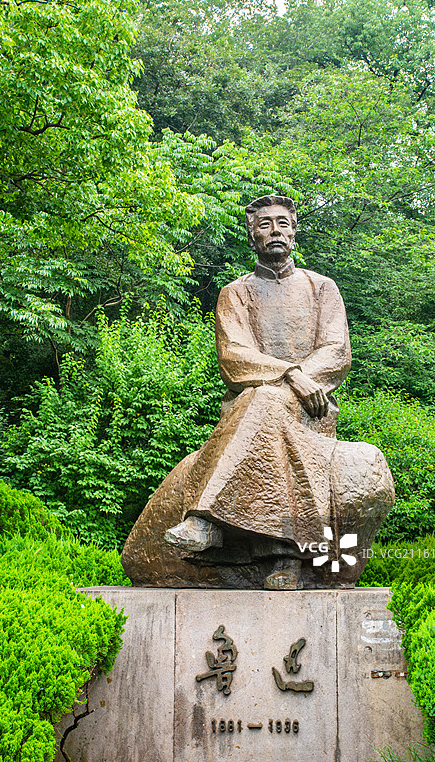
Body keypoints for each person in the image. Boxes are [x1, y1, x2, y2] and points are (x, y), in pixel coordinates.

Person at [121, 195, 394, 590]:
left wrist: (301, 382)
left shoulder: (322, 288)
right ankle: (284, 557)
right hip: (248, 406)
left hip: (310, 409)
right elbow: (234, 356)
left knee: (267, 399)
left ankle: (205, 519)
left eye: (283, 223)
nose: (275, 231)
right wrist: (289, 374)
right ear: (252, 235)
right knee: (262, 399)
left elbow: (337, 352)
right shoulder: (235, 293)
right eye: (265, 224)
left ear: (294, 232)